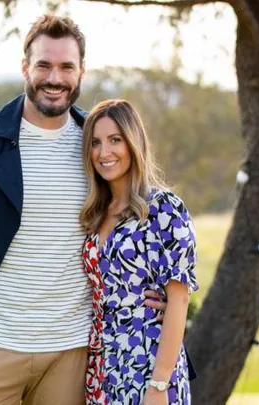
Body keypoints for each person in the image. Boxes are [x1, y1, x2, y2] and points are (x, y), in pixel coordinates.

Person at [0, 15, 168, 405]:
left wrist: (162, 291)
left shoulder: (97, 145)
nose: (55, 78)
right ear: (25, 68)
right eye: (43, 65)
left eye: (66, 66)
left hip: (72, 353)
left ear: (81, 70)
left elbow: (137, 224)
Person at [80, 99, 199, 405]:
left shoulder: (164, 209)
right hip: (102, 366)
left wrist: (159, 385)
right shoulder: (96, 213)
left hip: (148, 362)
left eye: (115, 140)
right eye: (95, 142)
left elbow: (179, 298)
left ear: (133, 142)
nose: (104, 153)